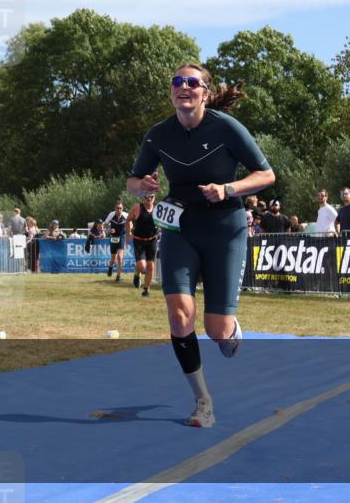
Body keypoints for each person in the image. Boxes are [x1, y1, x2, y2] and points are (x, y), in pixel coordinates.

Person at [127, 63, 275, 428]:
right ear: (171, 93)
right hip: (181, 228)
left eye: (192, 83)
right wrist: (141, 186)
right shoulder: (159, 134)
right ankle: (202, 402)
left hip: (225, 227)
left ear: (205, 93)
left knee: (217, 331)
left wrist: (228, 189)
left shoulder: (225, 127)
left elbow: (266, 174)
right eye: (177, 82)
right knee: (179, 316)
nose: (184, 87)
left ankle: (231, 329)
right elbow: (132, 180)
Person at [127, 193, 158, 296]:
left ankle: (146, 290)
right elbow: (128, 219)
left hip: (152, 240)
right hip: (139, 240)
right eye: (146, 196)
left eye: (151, 197)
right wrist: (129, 234)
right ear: (143, 198)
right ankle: (137, 274)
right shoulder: (137, 207)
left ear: (154, 198)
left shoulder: (158, 208)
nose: (149, 199)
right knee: (142, 265)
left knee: (151, 266)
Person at [104, 201, 128, 282]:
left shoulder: (126, 215)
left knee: (120, 257)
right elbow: (105, 224)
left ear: (122, 208)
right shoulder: (111, 214)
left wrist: (130, 231)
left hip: (122, 236)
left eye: (120, 208)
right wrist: (109, 230)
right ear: (115, 208)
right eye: (117, 208)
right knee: (113, 259)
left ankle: (118, 276)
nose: (119, 210)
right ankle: (110, 267)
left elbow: (130, 223)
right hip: (113, 237)